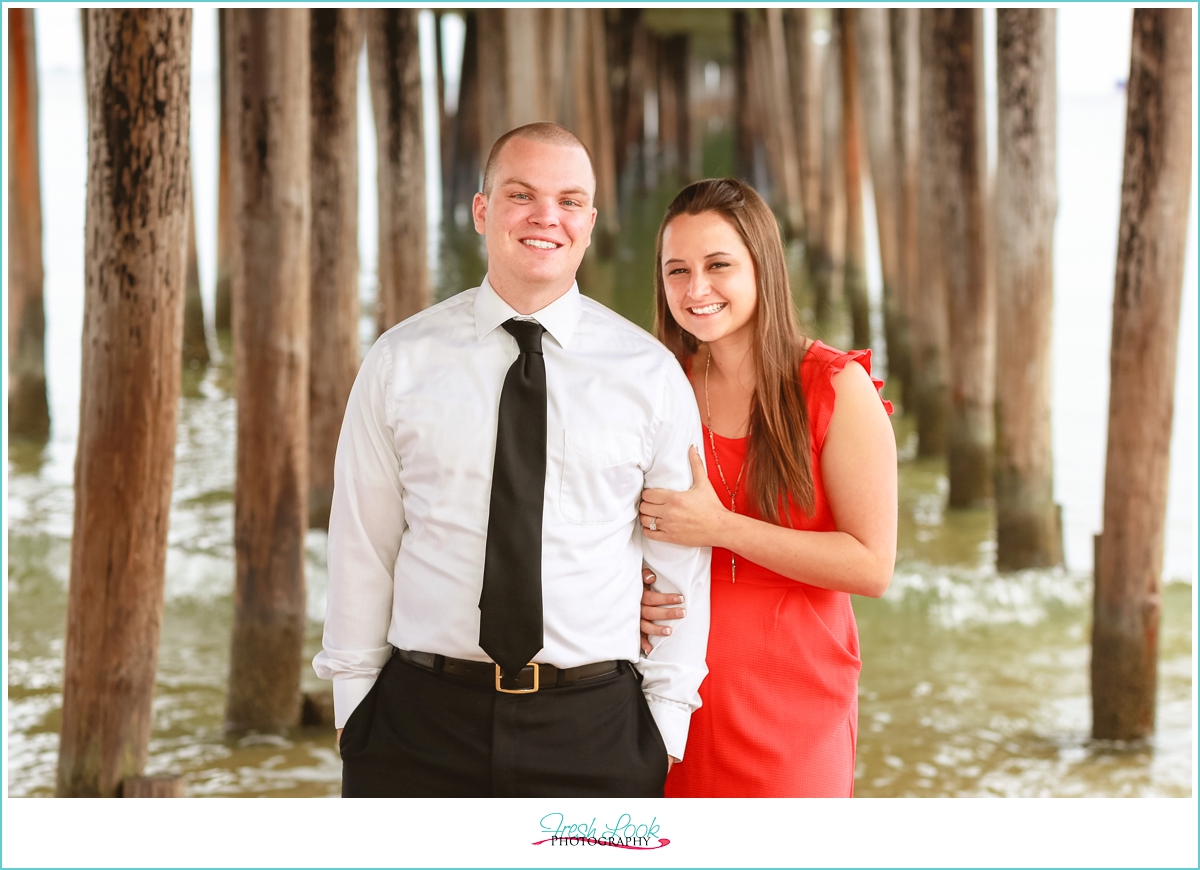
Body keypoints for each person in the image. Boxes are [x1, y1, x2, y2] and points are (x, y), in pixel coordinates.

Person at [312, 123, 710, 798]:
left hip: (595, 728)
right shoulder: (399, 362)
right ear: (481, 210)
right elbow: (362, 546)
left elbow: (678, 567)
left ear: (588, 221)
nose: (545, 217)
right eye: (520, 194)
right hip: (417, 725)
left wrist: (662, 730)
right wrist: (356, 714)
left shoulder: (649, 373)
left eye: (569, 200)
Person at [635, 178, 897, 797]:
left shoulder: (834, 388)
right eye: (678, 270)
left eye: (718, 265)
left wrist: (721, 527)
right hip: (668, 705)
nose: (696, 289)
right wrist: (626, 595)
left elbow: (871, 565)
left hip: (792, 720)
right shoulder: (654, 383)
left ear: (763, 266)